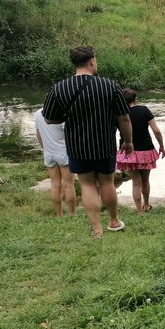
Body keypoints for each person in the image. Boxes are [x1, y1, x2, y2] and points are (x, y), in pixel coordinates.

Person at [42, 45, 133, 238]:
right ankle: (114, 221)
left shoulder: (59, 88)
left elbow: (49, 118)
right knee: (107, 183)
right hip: (104, 145)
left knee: (87, 185)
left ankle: (97, 228)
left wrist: (67, 117)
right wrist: (128, 141)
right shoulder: (109, 86)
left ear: (74, 64)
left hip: (77, 146)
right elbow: (123, 118)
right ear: (92, 61)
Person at [116, 88, 165, 214]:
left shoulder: (119, 114)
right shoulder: (144, 110)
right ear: (135, 99)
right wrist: (161, 146)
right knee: (145, 180)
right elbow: (157, 131)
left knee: (136, 183)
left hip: (129, 151)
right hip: (146, 150)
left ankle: (139, 211)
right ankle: (146, 204)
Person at [34, 108, 76, 217]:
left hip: (48, 154)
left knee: (54, 185)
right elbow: (70, 136)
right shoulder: (61, 113)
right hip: (64, 153)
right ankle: (72, 214)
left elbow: (38, 134)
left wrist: (45, 149)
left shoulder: (38, 113)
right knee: (69, 185)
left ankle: (59, 214)